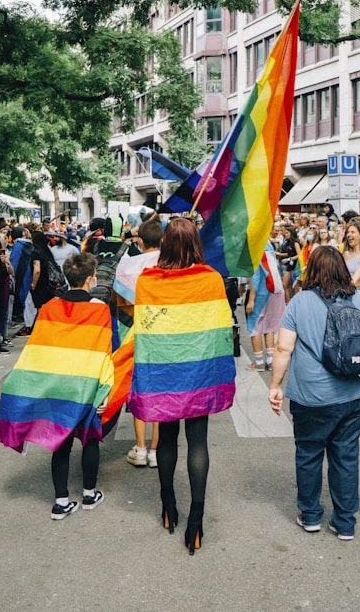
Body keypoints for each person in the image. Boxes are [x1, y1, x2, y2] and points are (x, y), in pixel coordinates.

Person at [127, 217, 235, 555]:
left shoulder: (148, 282)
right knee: (198, 441)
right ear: (196, 245)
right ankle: (197, 521)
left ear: (164, 245)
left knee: (168, 438)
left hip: (164, 374)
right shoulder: (211, 280)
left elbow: (143, 328)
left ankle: (167, 506)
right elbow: (221, 332)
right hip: (199, 374)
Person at [268, 245, 360, 540]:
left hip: (312, 395)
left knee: (308, 454)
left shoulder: (300, 302)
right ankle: (345, 522)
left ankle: (310, 516)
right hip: (355, 391)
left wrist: (275, 385)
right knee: (346, 455)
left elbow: (284, 347)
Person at [0, 253, 112, 519]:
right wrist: (104, 390)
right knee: (90, 439)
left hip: (55, 385)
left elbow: (37, 350)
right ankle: (89, 494)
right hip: (85, 386)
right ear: (91, 279)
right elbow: (104, 352)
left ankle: (61, 501)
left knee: (59, 442)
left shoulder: (49, 307)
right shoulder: (99, 309)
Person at [114, 218, 162, 468]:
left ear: (140, 241)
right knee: (160, 390)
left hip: (135, 334)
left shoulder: (128, 265)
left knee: (140, 391)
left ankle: (140, 447)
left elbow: (120, 303)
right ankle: (156, 450)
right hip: (164, 335)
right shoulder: (170, 264)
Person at [246, 228, 286, 371]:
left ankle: (258, 362)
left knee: (255, 326)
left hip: (262, 293)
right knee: (270, 325)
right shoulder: (268, 246)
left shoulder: (255, 249)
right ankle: (270, 361)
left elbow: (255, 277)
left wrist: (251, 299)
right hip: (277, 290)